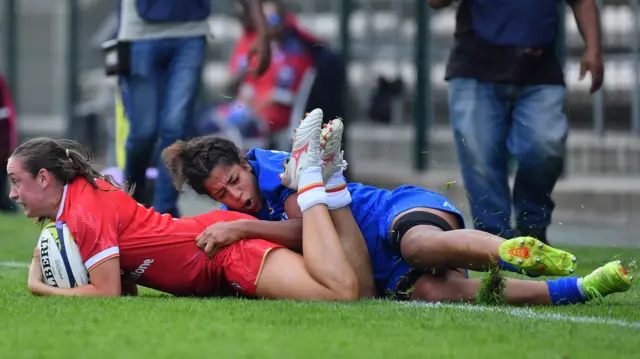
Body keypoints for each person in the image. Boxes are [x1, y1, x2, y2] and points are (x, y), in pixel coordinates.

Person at [165, 108, 633, 306]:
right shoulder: (240, 207)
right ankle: (580, 289)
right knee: (438, 294)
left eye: (234, 182)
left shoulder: (276, 169)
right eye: (222, 195)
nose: (237, 198)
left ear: (243, 162)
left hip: (389, 213)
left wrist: (243, 231)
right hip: (372, 265)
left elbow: (305, 230)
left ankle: (510, 250)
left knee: (420, 246)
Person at [9, 111, 369, 301]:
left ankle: (308, 175)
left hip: (226, 255)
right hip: (215, 247)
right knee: (362, 292)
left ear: (43, 178)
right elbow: (128, 285)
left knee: (340, 294)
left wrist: (41, 286)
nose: (12, 194)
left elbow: (107, 294)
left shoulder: (83, 211)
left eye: (16, 181)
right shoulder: (84, 197)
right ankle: (331, 179)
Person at [431, 0, 604, 243]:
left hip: (540, 67)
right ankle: (493, 242)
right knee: (480, 160)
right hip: (475, 67)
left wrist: (593, 49)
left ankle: (532, 228)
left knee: (546, 146)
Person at [116, 0, 272, 217]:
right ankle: (129, 205)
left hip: (190, 32)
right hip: (139, 32)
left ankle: (163, 217)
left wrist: (262, 33)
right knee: (143, 132)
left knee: (174, 127)